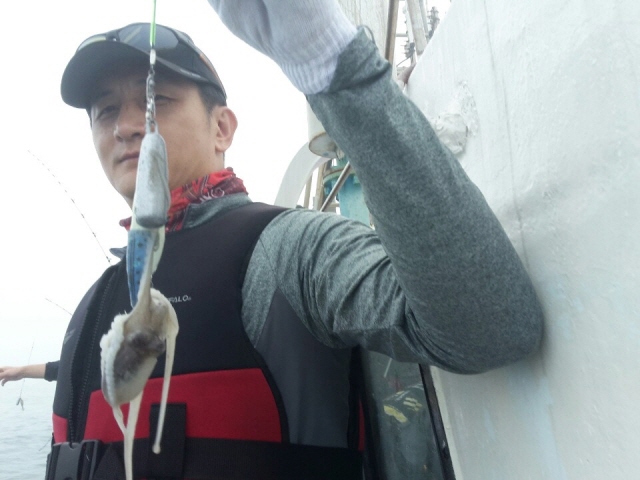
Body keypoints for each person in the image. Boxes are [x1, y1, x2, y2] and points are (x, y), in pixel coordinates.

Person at [45, 1, 544, 479]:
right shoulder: (92, 306)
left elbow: (491, 329)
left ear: (222, 128)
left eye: (156, 101)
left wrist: (336, 68)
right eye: (105, 111)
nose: (126, 127)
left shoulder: (289, 250)